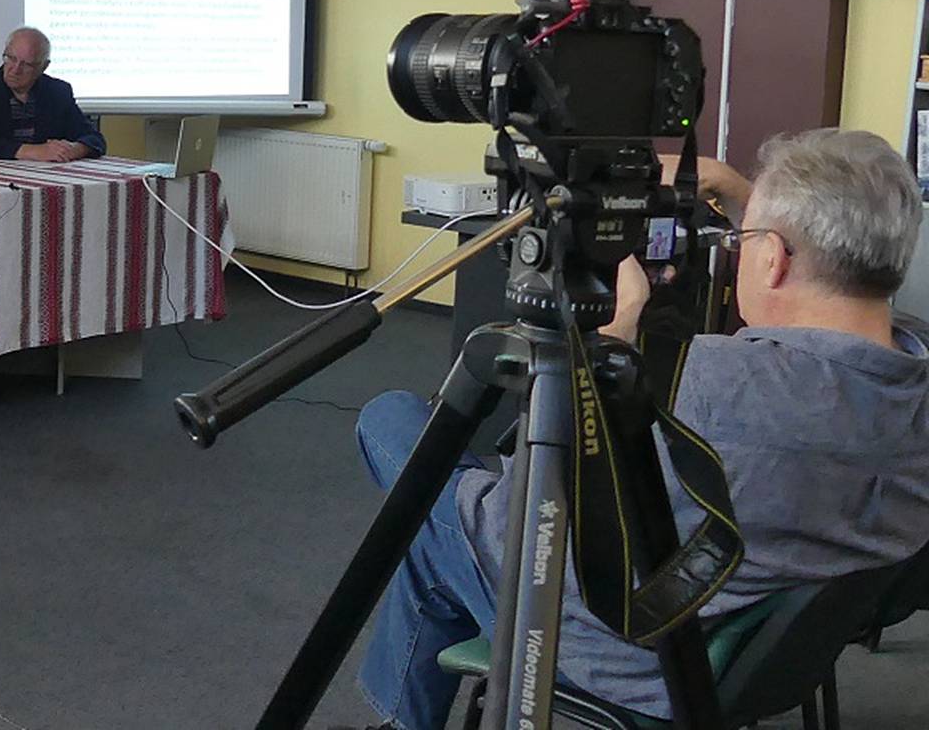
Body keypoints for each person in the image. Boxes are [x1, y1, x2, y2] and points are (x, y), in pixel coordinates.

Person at [351, 129, 929, 729]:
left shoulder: (704, 383)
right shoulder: (912, 384)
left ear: (773, 259)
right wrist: (737, 191)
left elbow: (535, 491)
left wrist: (613, 331)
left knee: (393, 424)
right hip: (755, 646)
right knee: (431, 552)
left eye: (743, 241)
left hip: (623, 641)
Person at [0, 26, 106, 162]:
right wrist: (32, 151)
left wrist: (74, 149)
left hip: (46, 175)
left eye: (27, 64)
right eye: (11, 58)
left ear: (44, 66)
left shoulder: (58, 91)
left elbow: (94, 138)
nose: (15, 69)